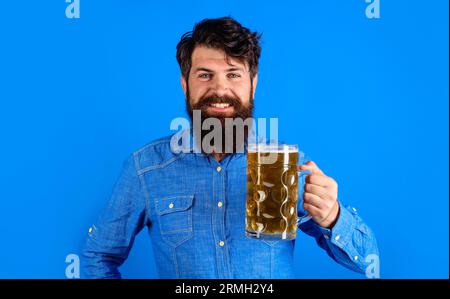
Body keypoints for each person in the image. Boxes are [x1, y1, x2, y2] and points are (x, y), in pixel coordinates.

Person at [82, 17, 379, 278]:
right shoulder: (145, 168)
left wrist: (334, 217)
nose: (220, 89)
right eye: (204, 75)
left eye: (233, 74)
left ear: (253, 83)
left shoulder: (286, 164)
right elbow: (98, 257)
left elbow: (369, 262)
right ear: (185, 84)